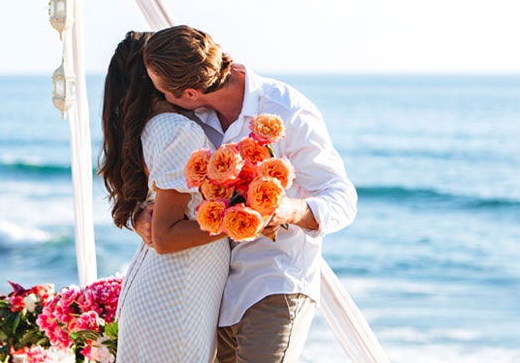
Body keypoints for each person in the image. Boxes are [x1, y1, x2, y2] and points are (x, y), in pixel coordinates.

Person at [139, 25, 358, 363]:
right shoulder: (187, 122)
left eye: (163, 91)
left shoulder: (287, 110)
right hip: (215, 291)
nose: (162, 99)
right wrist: (140, 215)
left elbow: (343, 199)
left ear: (191, 92)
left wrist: (285, 211)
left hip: (275, 280)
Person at [98, 30, 231, 362]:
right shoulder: (176, 131)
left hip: (167, 290)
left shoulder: (155, 128)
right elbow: (166, 235)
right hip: (174, 295)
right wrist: (245, 219)